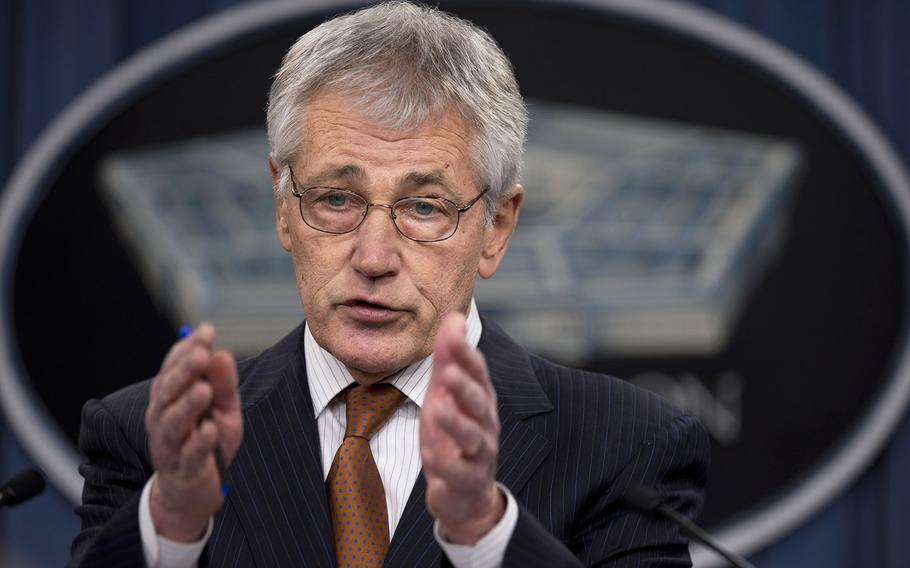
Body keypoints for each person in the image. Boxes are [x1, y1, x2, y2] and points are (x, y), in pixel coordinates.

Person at [70, 2, 709, 566]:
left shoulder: (625, 445)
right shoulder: (144, 445)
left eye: (425, 207)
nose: (373, 256)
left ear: (497, 228)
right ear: (282, 206)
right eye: (336, 199)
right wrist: (173, 528)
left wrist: (485, 532)